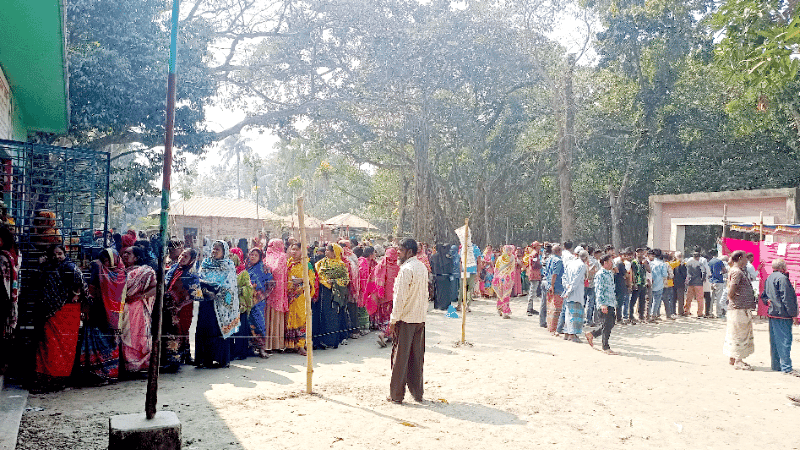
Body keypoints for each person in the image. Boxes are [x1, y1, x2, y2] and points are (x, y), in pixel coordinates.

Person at [33, 244, 89, 392]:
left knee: (64, 346)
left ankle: (58, 379)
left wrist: (76, 294)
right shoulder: (47, 267)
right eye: (54, 254)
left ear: (65, 254)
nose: (57, 257)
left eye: (60, 253)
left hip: (67, 312)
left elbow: (81, 284)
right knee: (48, 345)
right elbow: (38, 282)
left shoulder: (70, 267)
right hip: (50, 313)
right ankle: (46, 378)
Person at [387, 238, 428, 404]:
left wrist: (393, 320)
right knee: (417, 358)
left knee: (400, 359)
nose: (398, 252)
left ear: (409, 252)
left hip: (406, 319)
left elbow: (400, 298)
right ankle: (417, 393)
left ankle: (396, 395)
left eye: (401, 250)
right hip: (419, 318)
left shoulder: (406, 269)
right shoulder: (422, 267)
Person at [79, 249, 126, 384]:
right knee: (94, 344)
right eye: (103, 260)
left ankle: (108, 375)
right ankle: (95, 375)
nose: (105, 263)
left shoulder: (121, 273)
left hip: (111, 317)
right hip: (96, 312)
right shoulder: (97, 269)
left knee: (108, 345)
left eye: (107, 260)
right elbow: (92, 287)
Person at [197, 240, 240, 368]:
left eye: (217, 249)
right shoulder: (206, 263)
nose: (214, 251)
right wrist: (205, 291)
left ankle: (221, 359)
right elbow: (199, 278)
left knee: (218, 329)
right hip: (206, 301)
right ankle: (205, 360)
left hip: (221, 304)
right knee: (205, 329)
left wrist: (217, 294)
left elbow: (231, 285)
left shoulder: (228, 265)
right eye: (213, 248)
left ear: (224, 252)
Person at [120, 246, 157, 375]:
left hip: (138, 309)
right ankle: (129, 365)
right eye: (124, 253)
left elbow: (155, 288)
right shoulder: (120, 271)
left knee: (139, 336)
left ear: (136, 257)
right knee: (126, 337)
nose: (125, 255)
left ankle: (141, 365)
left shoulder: (145, 272)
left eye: (128, 254)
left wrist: (139, 296)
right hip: (124, 310)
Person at [163, 248, 202, 368]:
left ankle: (179, 358)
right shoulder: (173, 269)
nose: (182, 258)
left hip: (183, 309)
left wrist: (180, 305)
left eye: (186, 256)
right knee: (170, 330)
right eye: (181, 255)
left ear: (192, 260)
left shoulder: (192, 274)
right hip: (170, 307)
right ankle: (172, 357)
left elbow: (197, 295)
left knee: (181, 331)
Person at [760, 259, 799, 376]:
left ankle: (776, 365)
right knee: (784, 341)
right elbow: (787, 298)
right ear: (783, 267)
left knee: (775, 341)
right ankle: (786, 367)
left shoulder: (770, 278)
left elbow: (764, 296)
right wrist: (793, 314)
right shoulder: (782, 279)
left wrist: (768, 302)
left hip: (773, 313)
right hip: (783, 314)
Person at [723, 250, 756, 371]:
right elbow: (732, 289)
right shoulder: (737, 271)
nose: (747, 260)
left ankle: (733, 357)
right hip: (739, 308)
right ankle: (738, 360)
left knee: (735, 332)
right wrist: (734, 299)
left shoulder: (737, 270)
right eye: (745, 258)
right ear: (740, 258)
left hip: (739, 307)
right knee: (740, 334)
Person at [314, 243, 349, 349]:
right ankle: (322, 340)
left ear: (335, 253)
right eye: (325, 250)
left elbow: (345, 280)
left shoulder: (340, 265)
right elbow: (316, 274)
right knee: (322, 315)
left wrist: (333, 281)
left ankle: (332, 341)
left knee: (332, 316)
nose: (326, 252)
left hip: (333, 294)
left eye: (328, 250)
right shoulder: (321, 263)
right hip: (322, 291)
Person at [286, 242, 315, 355]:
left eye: (297, 249)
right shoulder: (289, 263)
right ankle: (291, 344)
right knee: (290, 319)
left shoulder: (307, 264)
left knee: (302, 319)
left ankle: (301, 345)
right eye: (292, 249)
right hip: (290, 296)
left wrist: (302, 280)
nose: (294, 251)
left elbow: (312, 280)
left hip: (301, 297)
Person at [586, 254, 617, 354]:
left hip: (611, 302)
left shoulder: (610, 273)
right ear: (605, 263)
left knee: (610, 323)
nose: (612, 263)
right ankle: (605, 347)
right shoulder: (600, 274)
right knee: (606, 325)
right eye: (610, 261)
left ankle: (592, 334)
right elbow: (599, 290)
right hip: (604, 303)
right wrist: (602, 304)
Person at [246, 248, 274, 358]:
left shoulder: (264, 268)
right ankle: (251, 348)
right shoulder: (247, 267)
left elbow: (271, 283)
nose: (252, 257)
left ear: (260, 257)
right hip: (247, 300)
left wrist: (261, 294)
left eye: (255, 255)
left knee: (259, 323)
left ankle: (262, 349)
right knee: (249, 323)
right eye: (251, 254)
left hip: (259, 301)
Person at [264, 238, 289, 351]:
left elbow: (277, 270)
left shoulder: (282, 257)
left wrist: (268, 269)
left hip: (278, 290)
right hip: (267, 290)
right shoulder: (267, 256)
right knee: (267, 315)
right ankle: (267, 344)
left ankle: (276, 344)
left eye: (271, 245)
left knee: (275, 315)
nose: (269, 248)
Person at [229, 252, 254, 360]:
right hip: (228, 306)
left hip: (240, 306)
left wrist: (239, 291)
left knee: (240, 330)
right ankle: (231, 352)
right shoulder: (225, 273)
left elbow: (249, 288)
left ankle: (241, 352)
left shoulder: (243, 273)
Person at [374, 247, 401, 347]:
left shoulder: (380, 265)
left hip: (382, 296)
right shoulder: (398, 267)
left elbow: (375, 280)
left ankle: (387, 334)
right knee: (392, 316)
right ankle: (384, 334)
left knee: (383, 316)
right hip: (394, 296)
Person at [561, 250, 588, 342]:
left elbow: (564, 277)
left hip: (569, 291)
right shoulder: (582, 266)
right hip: (576, 293)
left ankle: (567, 333)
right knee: (575, 314)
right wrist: (569, 290)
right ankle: (572, 335)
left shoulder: (571, 264)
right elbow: (576, 280)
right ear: (586, 258)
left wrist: (566, 286)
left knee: (568, 313)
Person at [492, 245, 516, 319]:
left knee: (501, 294)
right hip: (507, 279)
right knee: (505, 295)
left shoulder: (500, 258)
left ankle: (499, 309)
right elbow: (512, 269)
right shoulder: (511, 258)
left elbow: (496, 269)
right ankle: (505, 312)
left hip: (500, 278)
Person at [358, 246, 378, 333]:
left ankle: (372, 323)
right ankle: (365, 326)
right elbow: (363, 276)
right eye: (374, 252)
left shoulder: (373, 262)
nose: (375, 254)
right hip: (365, 287)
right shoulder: (363, 261)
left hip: (371, 287)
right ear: (370, 254)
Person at [545, 244, 565, 333]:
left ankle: (550, 327)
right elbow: (555, 274)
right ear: (558, 251)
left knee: (550, 307)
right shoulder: (559, 261)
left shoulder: (549, 259)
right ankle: (554, 328)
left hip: (548, 284)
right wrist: (552, 285)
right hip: (556, 285)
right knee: (557, 308)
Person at [431, 243, 454, 311]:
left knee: (438, 292)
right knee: (446, 292)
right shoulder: (448, 257)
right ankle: (445, 305)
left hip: (437, 277)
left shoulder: (434, 256)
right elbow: (451, 267)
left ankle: (438, 305)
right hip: (446, 277)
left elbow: (431, 266)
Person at [684, 250, 706, 317]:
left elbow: (686, 273)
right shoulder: (700, 264)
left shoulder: (688, 263)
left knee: (689, 298)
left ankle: (686, 311)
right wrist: (702, 279)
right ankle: (699, 313)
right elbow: (704, 272)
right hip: (698, 283)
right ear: (698, 257)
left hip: (690, 283)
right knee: (700, 299)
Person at [648, 249, 669, 322]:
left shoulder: (650, 263)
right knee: (657, 300)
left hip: (650, 283)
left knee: (650, 300)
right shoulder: (662, 264)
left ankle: (650, 315)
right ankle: (654, 315)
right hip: (659, 283)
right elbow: (664, 275)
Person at [708, 250, 726, 318]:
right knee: (719, 298)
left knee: (711, 299)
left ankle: (710, 312)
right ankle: (719, 313)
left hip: (711, 281)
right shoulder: (719, 261)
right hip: (719, 281)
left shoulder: (709, 262)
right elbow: (724, 270)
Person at [525, 242, 542, 316]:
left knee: (532, 291)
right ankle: (529, 309)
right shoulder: (535, 254)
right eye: (539, 246)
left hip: (533, 274)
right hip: (534, 274)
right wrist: (541, 265)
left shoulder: (533, 253)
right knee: (532, 292)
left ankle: (531, 308)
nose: (540, 247)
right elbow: (535, 265)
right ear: (536, 246)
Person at [672, 251, 687, 315]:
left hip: (674, 283)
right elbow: (684, 274)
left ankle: (674, 311)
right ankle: (680, 312)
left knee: (674, 298)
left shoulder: (672, 263)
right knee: (679, 299)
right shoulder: (682, 264)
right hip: (679, 283)